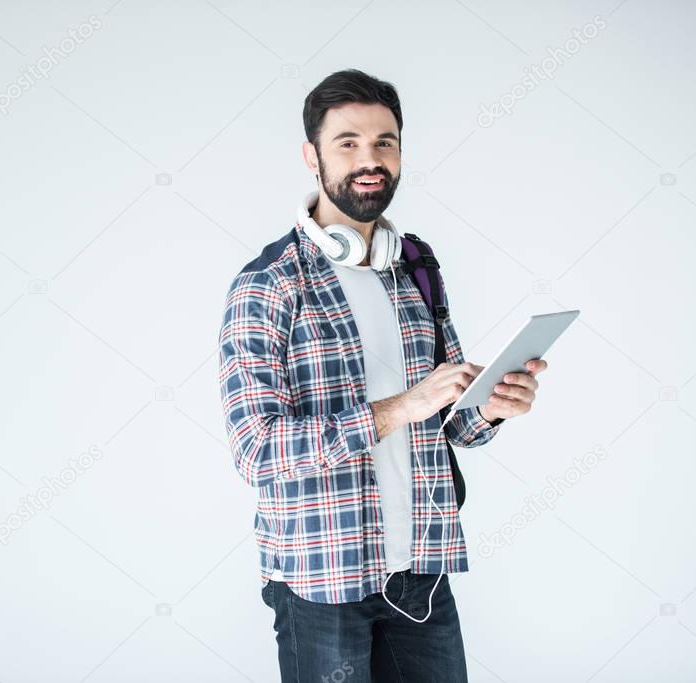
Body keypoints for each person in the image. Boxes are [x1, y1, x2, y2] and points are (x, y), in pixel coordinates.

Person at [216, 69, 548, 682]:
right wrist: (398, 409)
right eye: (348, 143)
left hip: (420, 570)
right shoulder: (267, 285)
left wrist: (494, 405)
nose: (370, 160)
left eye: (385, 142)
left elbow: (452, 425)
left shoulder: (415, 265)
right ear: (311, 156)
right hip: (322, 576)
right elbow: (256, 452)